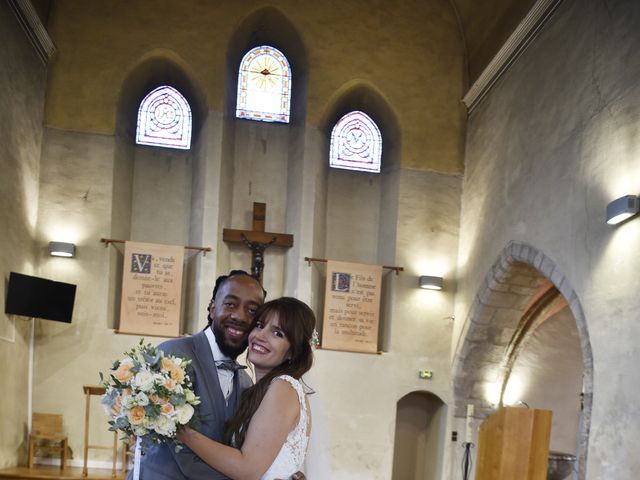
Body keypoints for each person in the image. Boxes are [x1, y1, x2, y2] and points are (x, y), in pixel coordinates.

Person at [132, 270, 265, 480]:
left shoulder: (245, 382)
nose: (240, 316)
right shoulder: (173, 356)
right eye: (230, 304)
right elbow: (180, 451)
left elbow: (240, 450)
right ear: (212, 308)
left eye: (252, 310)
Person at [177, 297, 316, 480]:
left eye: (277, 333)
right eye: (259, 325)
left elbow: (247, 469)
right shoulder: (254, 389)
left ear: (293, 351)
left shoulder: (284, 387)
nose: (260, 336)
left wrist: (180, 430)